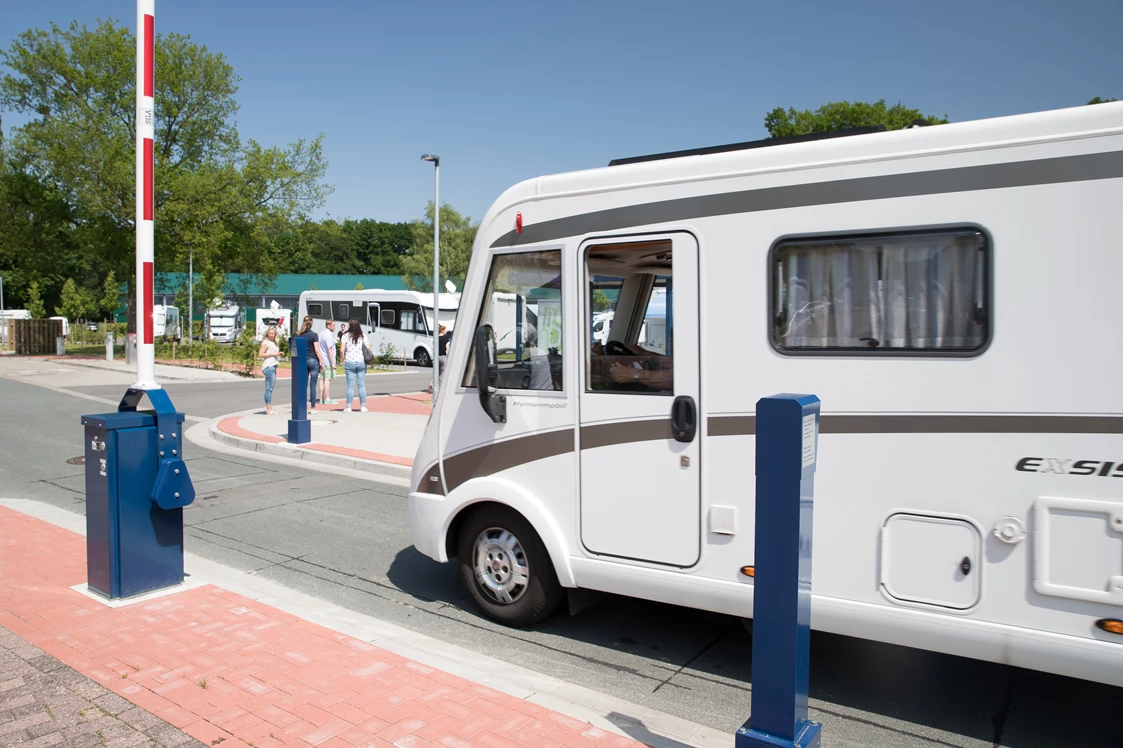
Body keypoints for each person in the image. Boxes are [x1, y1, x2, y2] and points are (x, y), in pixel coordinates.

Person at [297, 316, 326, 410]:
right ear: (312, 323)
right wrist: (322, 361)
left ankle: (302, 406)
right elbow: (317, 350)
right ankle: (313, 407)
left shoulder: (299, 334)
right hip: (313, 360)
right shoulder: (314, 335)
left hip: (302, 360)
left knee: (303, 384)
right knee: (313, 385)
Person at [339, 318, 368, 412]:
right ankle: (363, 406)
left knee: (350, 385)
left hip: (350, 361)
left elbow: (342, 350)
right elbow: (368, 347)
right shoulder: (362, 335)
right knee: (361, 385)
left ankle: (348, 406)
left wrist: (342, 360)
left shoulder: (345, 336)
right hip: (360, 361)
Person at [258, 326, 281, 415]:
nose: (271, 335)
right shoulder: (266, 343)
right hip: (268, 366)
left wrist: (278, 354)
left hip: (273, 366)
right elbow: (261, 354)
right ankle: (269, 409)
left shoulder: (274, 343)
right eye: (270, 333)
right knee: (269, 388)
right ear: (267, 334)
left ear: (275, 334)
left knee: (271, 388)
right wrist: (273, 354)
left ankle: (269, 408)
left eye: (273, 333)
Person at [317, 319, 338, 405]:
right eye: (333, 325)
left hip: (322, 360)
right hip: (328, 361)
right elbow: (330, 350)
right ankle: (327, 398)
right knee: (327, 379)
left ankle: (321, 398)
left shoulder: (321, 334)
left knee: (322, 379)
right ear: (328, 325)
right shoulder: (328, 335)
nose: (334, 327)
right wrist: (333, 362)